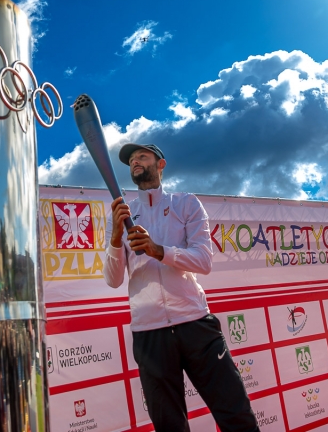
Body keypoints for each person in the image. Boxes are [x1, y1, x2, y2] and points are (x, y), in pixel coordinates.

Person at [103, 143, 260, 432]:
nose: (135, 162)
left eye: (142, 156)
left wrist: (158, 250)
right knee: (169, 426)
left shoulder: (186, 203)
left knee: (236, 413)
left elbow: (203, 260)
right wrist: (115, 238)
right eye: (131, 160)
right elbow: (112, 280)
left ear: (160, 164)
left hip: (196, 324)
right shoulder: (121, 213)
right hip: (149, 333)